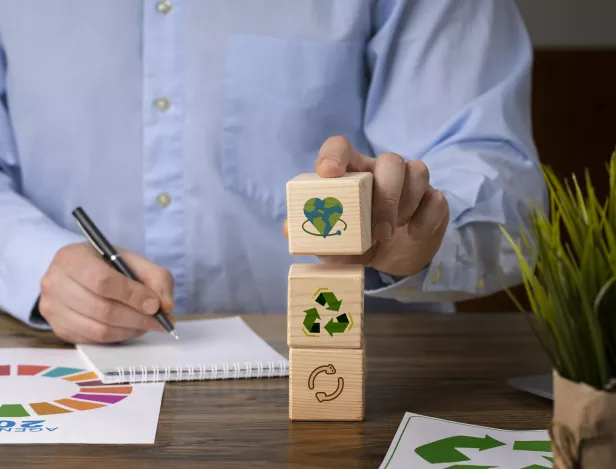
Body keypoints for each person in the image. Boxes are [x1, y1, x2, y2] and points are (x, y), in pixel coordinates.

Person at [0, 1, 545, 344]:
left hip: (377, 377)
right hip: (68, 371)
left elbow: (500, 179)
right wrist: (37, 261)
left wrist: (422, 238)